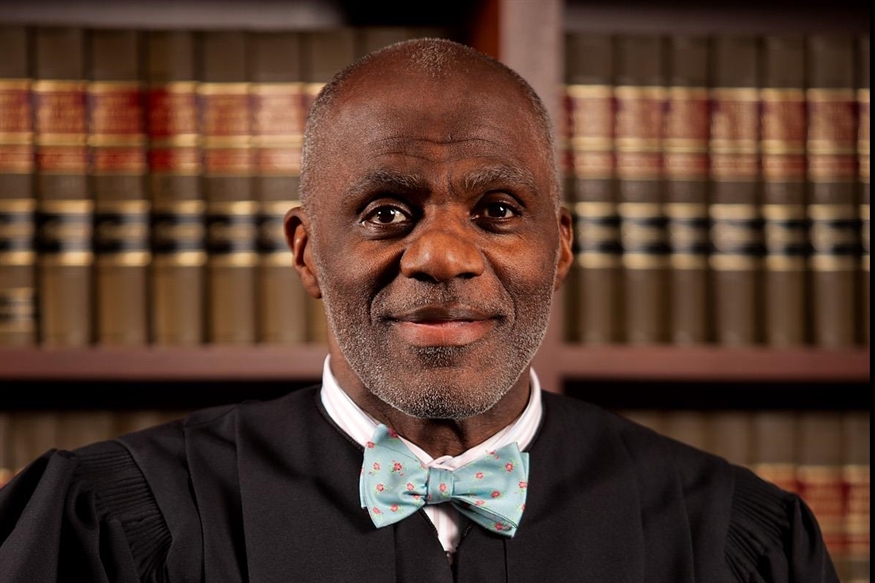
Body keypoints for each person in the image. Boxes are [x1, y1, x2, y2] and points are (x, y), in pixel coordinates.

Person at [0, 38, 838, 583]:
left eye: (498, 210)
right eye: (385, 212)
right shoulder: (114, 522)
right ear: (304, 252)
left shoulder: (733, 538)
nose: (441, 255)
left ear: (561, 246)